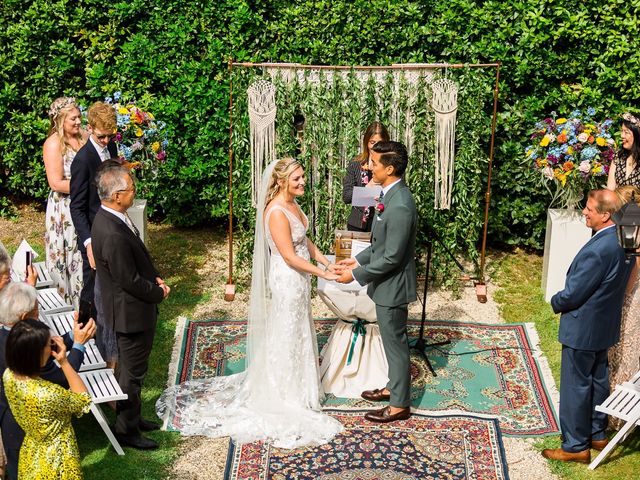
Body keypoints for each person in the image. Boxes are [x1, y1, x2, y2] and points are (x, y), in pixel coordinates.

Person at [156, 157, 343, 448]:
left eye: (303, 177)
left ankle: (300, 387)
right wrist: (323, 273)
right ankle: (283, 391)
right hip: (288, 279)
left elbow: (304, 242)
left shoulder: (294, 204)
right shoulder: (277, 212)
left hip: (301, 278)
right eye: (296, 179)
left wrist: (324, 260)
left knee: (298, 329)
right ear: (281, 181)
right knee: (287, 330)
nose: (302, 182)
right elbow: (289, 255)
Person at [543, 189, 632, 464]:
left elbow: (575, 293)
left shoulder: (599, 248)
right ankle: (596, 432)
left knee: (575, 387)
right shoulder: (624, 237)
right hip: (604, 324)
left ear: (605, 215)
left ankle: (574, 446)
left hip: (583, 328)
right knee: (597, 379)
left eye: (589, 208)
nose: (584, 211)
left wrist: (556, 301)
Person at [336, 141, 417, 423]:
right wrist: (356, 261)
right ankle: (393, 388)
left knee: (395, 345)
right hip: (385, 285)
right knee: (390, 343)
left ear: (390, 169)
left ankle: (399, 406)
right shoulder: (388, 196)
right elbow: (379, 244)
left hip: (393, 287)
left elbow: (392, 258)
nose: (368, 167)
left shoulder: (401, 206)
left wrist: (355, 277)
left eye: (374, 163)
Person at [91, 164, 169, 450]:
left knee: (133, 370)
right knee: (130, 376)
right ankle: (126, 431)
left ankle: (133, 419)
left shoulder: (114, 217)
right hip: (130, 314)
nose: (134, 193)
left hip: (130, 309)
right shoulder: (110, 231)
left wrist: (154, 275)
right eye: (131, 189)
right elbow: (128, 281)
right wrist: (158, 292)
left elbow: (136, 260)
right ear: (116, 196)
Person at [0, 281, 95, 480]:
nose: (50, 346)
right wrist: (71, 355)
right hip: (56, 458)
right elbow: (83, 400)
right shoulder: (47, 394)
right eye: (47, 345)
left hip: (28, 446)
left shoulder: (11, 373)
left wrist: (71, 336)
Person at [69, 101, 118, 313]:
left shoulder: (111, 147)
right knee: (92, 286)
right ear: (89, 128)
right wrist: (88, 242)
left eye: (110, 136)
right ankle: (82, 331)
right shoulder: (82, 160)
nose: (106, 141)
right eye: (101, 137)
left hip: (113, 227)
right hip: (93, 234)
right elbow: (77, 207)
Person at [43, 97, 87, 309]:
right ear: (60, 120)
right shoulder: (53, 144)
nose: (79, 121)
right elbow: (56, 182)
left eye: (79, 116)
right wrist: (87, 185)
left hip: (87, 203)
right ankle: (69, 308)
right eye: (73, 119)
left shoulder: (85, 137)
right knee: (69, 255)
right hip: (65, 209)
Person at [608, 185, 640, 429]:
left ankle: (616, 414)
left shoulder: (633, 233)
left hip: (632, 300)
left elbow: (629, 284)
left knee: (623, 346)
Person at [342, 122, 390, 232]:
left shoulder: (391, 165)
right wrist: (368, 188)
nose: (376, 147)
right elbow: (347, 197)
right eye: (372, 142)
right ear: (366, 143)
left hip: (382, 224)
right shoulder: (356, 164)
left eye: (380, 143)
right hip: (358, 225)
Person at [607, 112, 640, 190]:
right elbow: (610, 189)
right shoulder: (619, 156)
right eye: (622, 131)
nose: (622, 136)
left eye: (626, 132)